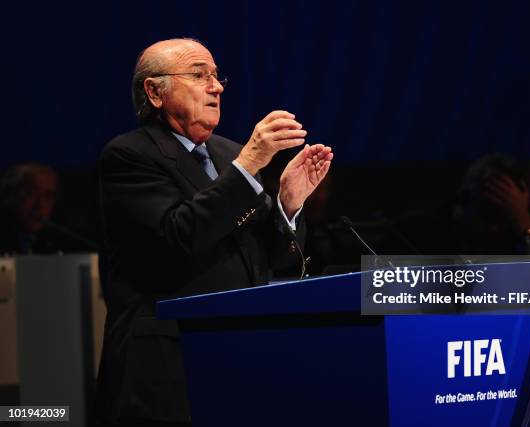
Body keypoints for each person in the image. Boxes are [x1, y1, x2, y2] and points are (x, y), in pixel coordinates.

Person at [95, 38, 333, 427]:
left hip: (239, 357)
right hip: (167, 366)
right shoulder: (129, 156)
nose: (217, 86)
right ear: (155, 92)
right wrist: (250, 164)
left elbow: (271, 260)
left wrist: (289, 205)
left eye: (217, 76)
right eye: (198, 74)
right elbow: (180, 236)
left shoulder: (228, 154)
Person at [0, 162, 59, 254]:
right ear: (9, 195)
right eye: (31, 193)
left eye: (48, 196)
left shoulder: (56, 241)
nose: (40, 205)